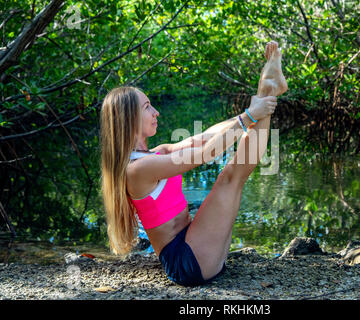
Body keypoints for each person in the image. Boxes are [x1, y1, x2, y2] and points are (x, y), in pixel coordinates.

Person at [100, 41, 288, 286]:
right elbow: (204, 156)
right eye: (147, 107)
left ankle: (268, 90)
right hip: (187, 263)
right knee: (230, 178)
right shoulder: (137, 170)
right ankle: (268, 90)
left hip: (195, 245)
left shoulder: (155, 154)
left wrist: (249, 113)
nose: (156, 112)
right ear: (128, 119)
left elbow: (204, 139)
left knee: (232, 177)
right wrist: (251, 115)